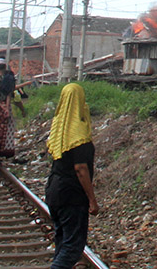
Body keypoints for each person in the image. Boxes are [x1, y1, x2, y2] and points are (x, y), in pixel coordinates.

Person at [46, 84, 99, 269]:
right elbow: (80, 169)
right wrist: (92, 200)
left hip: (54, 189)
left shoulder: (59, 128)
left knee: (61, 238)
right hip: (71, 194)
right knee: (73, 246)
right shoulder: (79, 134)